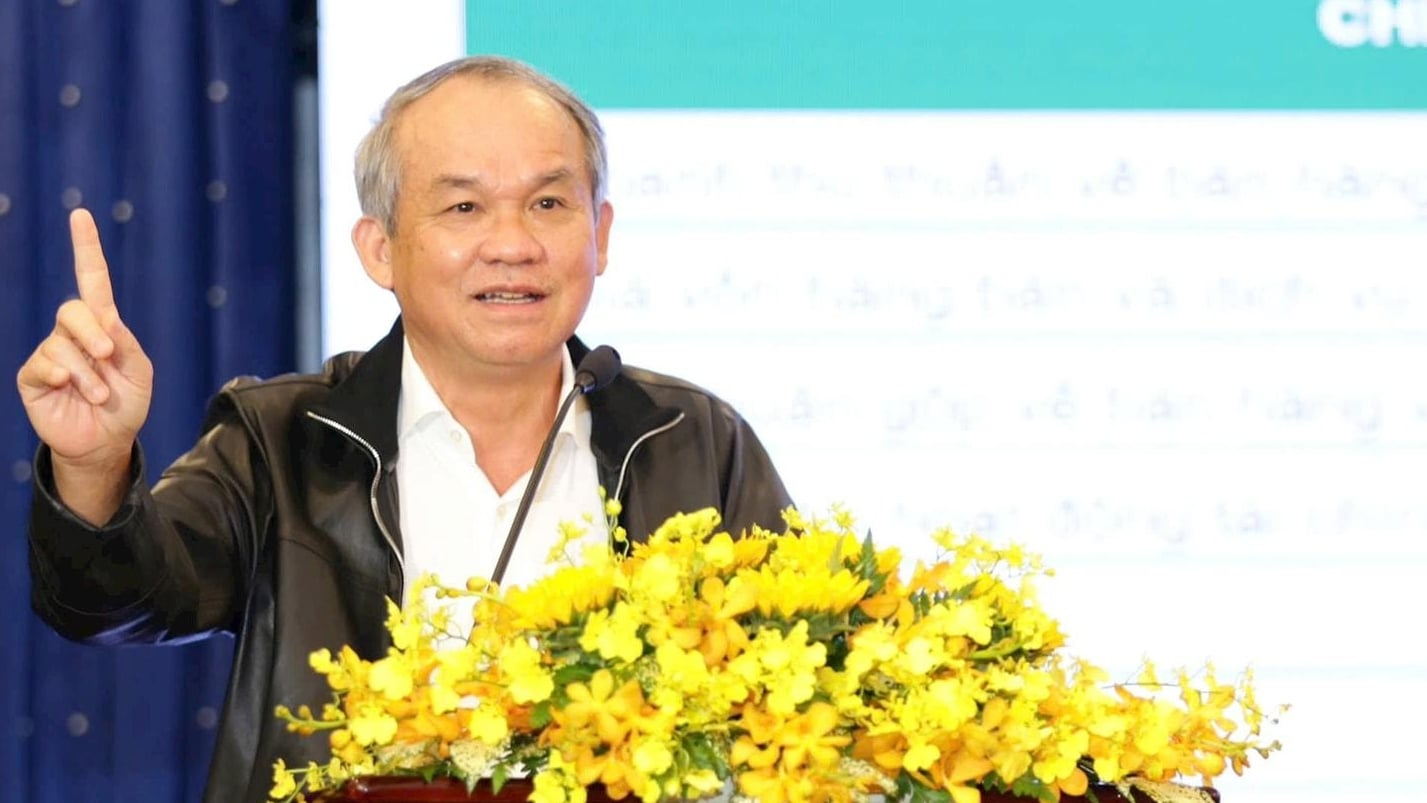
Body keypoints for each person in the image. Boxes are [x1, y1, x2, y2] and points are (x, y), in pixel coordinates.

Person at [17, 56, 791, 803]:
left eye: (549, 204)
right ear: (380, 249)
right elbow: (116, 603)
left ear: (602, 232)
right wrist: (94, 461)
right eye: (463, 207)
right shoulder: (281, 440)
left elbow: (798, 686)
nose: (512, 244)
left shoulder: (692, 441)